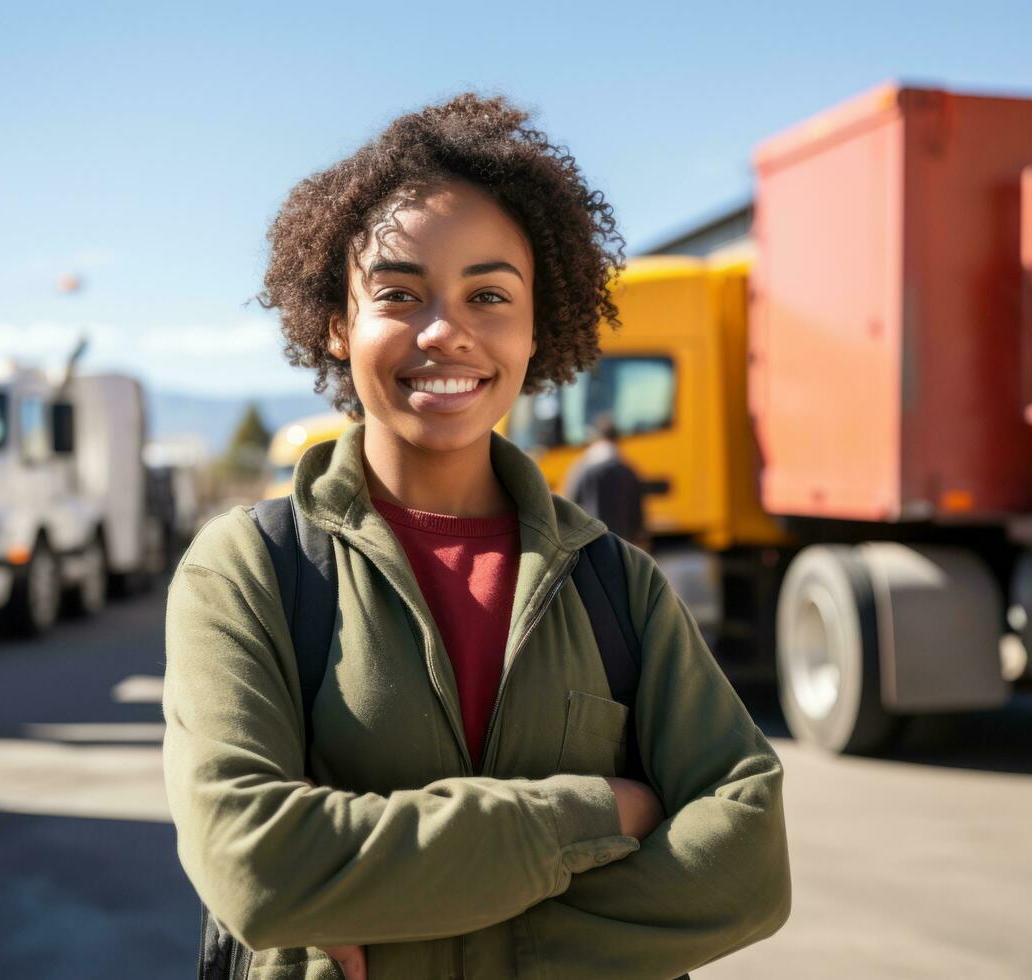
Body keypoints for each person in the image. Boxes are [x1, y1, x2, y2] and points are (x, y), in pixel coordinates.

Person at [163, 94, 789, 980]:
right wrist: (597, 812)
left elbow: (747, 862)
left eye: (488, 294)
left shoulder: (615, 584)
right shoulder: (248, 571)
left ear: (538, 327)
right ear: (340, 325)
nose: (445, 331)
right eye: (397, 294)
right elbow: (257, 870)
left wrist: (406, 921)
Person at [561, 411, 648, 551]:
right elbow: (637, 516)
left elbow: (567, 507)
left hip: (589, 546)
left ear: (596, 437)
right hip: (621, 546)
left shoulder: (582, 468)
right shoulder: (628, 470)